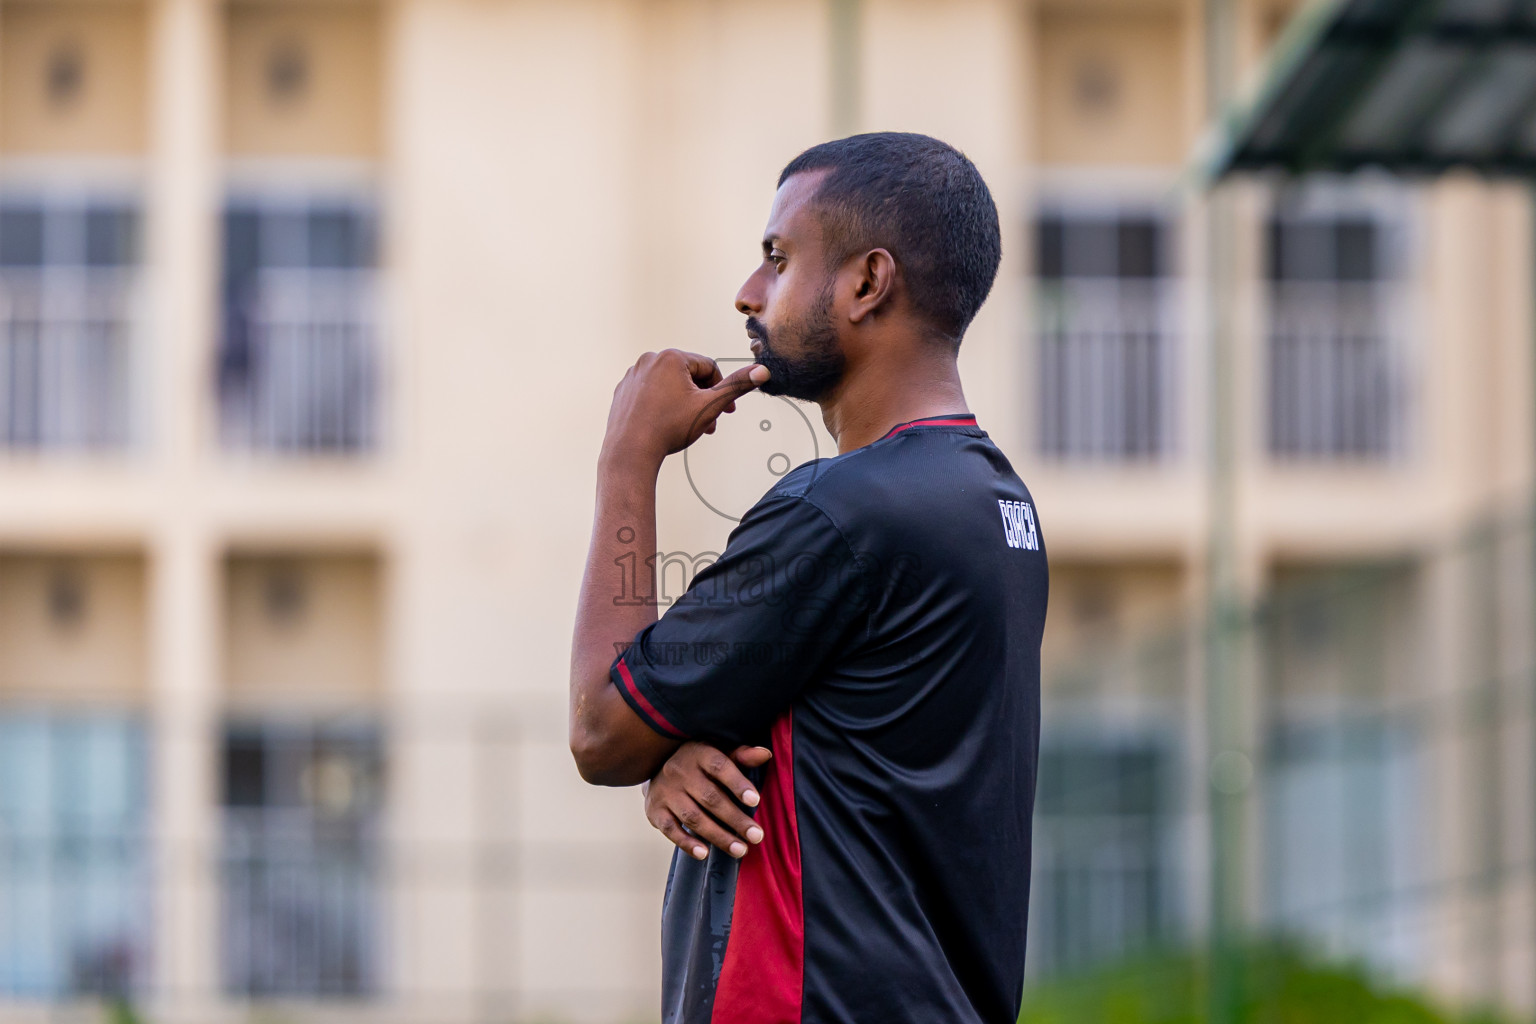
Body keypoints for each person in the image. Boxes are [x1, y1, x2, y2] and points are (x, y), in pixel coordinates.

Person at [569, 132, 1047, 1024]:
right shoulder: (996, 503)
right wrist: (668, 749)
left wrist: (627, 456)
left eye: (778, 259)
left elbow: (601, 725)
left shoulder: (843, 509)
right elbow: (836, 741)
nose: (749, 294)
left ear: (868, 283)